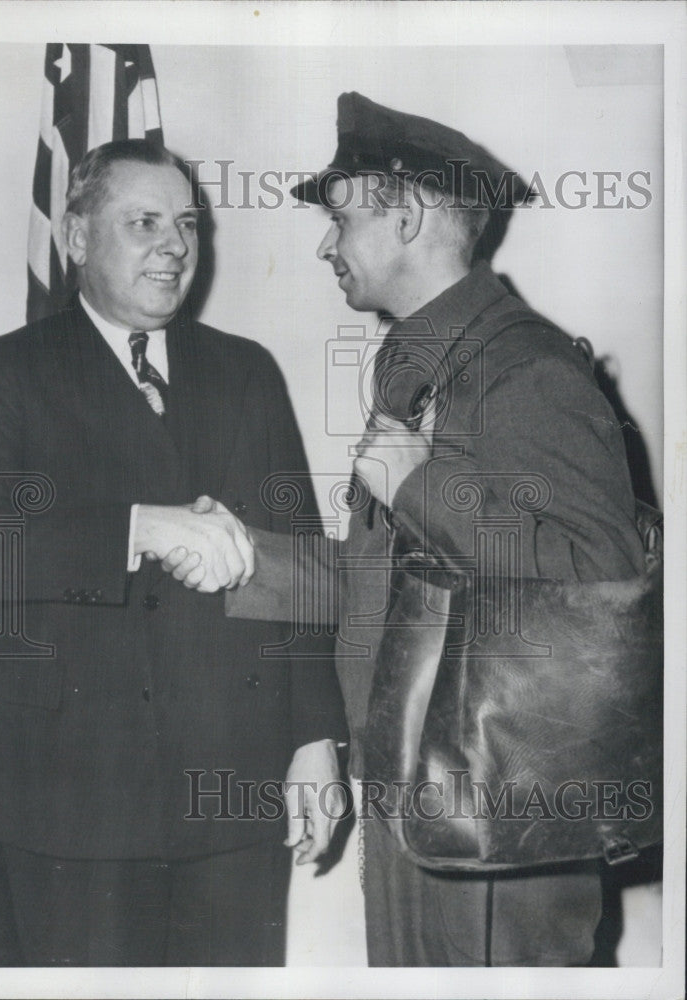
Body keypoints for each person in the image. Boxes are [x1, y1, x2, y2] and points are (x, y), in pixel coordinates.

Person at [165, 93, 647, 966]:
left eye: (340, 217)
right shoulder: (431, 361)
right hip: (422, 790)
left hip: (499, 824)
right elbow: (395, 583)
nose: (325, 243)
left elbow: (598, 572)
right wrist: (247, 559)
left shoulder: (522, 369)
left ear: (410, 214)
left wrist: (421, 484)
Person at [0, 139, 346, 967]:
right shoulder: (3, 370)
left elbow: (301, 570)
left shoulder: (245, 371)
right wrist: (137, 527)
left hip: (232, 790)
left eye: (187, 224)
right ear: (78, 238)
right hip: (74, 801)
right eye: (145, 222)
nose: (176, 246)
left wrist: (315, 740)